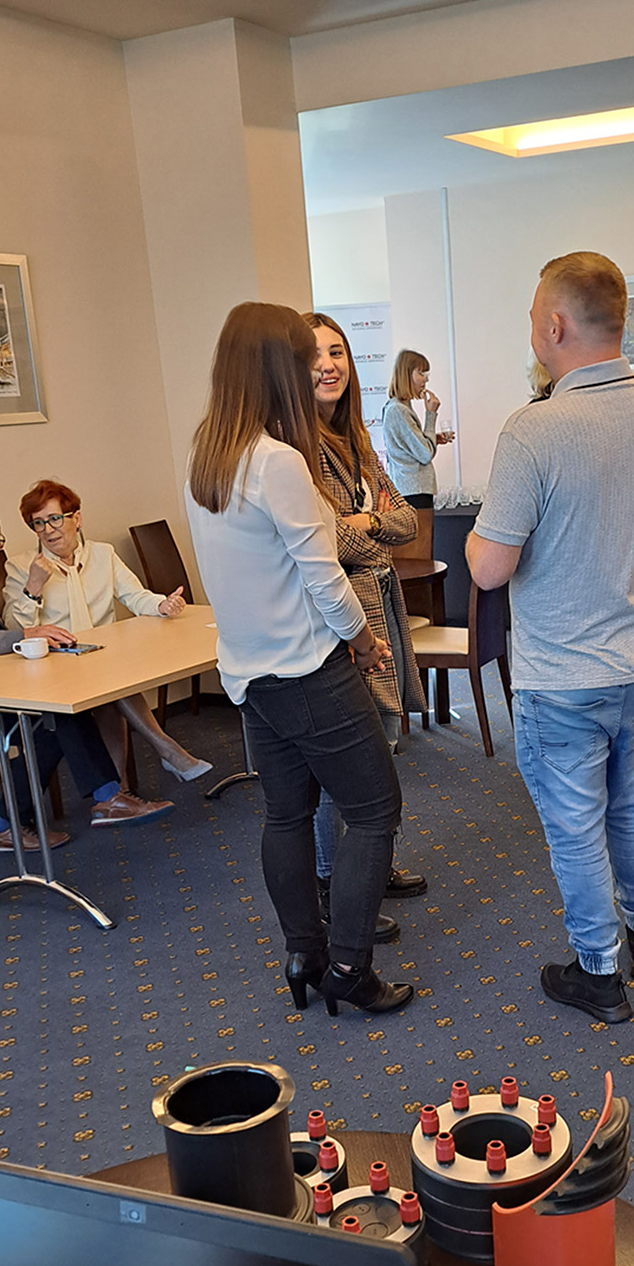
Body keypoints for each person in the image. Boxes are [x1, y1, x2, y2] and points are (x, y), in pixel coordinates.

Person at [467, 251, 634, 1025]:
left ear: (554, 325)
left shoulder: (533, 430)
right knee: (631, 800)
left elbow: (489, 568)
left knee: (576, 826)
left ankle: (599, 971)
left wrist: (477, 537)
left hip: (561, 677)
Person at [182, 301, 412, 1018]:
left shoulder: (209, 455)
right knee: (375, 810)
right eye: (303, 356)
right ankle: (348, 966)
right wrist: (364, 641)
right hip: (309, 669)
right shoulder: (279, 461)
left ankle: (304, 955)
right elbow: (325, 578)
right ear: (276, 367)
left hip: (251, 674)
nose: (317, 366)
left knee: (285, 816)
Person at [0, 496, 172, 851]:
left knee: (57, 711)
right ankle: (12, 822)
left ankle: (105, 798)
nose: (2, 547)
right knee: (49, 722)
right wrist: (24, 633)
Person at [304, 311, 429, 926]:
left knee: (382, 747)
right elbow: (324, 540)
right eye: (314, 355)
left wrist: (369, 521)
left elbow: (406, 521)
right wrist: (367, 533)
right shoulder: (299, 451)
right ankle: (337, 885)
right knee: (347, 765)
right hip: (342, 618)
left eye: (337, 352)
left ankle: (373, 864)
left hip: (381, 602)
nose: (328, 365)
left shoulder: (356, 440)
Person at [2, 481, 213, 784]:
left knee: (108, 685)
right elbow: (14, 629)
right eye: (39, 523)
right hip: (55, 665)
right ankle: (165, 752)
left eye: (55, 519)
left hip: (102, 659)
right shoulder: (22, 566)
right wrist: (33, 586)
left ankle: (119, 791)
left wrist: (162, 605)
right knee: (110, 683)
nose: (48, 530)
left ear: (76, 518)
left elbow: (135, 595)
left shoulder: (103, 555)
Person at [380, 349, 454, 508]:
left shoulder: (400, 407)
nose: (426, 379)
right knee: (423, 527)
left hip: (413, 490)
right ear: (406, 374)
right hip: (413, 491)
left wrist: (433, 439)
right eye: (421, 373)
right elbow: (425, 454)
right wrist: (431, 414)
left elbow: (413, 448)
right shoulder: (398, 410)